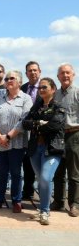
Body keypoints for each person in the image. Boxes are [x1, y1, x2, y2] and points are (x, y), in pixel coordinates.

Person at [0, 70, 33, 213]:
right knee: (1, 172)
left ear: (19, 81)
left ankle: (16, 201)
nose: (8, 80)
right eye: (7, 79)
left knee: (15, 173)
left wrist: (8, 136)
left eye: (12, 78)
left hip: (16, 143)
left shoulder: (26, 99)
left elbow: (24, 120)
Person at [22, 77, 66, 225]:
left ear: (53, 89)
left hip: (52, 148)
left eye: (44, 87)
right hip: (35, 148)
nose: (41, 90)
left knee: (46, 178)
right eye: (40, 88)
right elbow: (25, 123)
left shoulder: (58, 106)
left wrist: (37, 125)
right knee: (41, 180)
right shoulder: (36, 106)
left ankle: (45, 211)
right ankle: (42, 210)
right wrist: (40, 123)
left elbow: (55, 125)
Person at [53, 63, 79, 217]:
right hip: (58, 136)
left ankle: (74, 204)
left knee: (74, 172)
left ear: (73, 75)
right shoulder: (55, 94)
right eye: (62, 73)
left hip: (74, 134)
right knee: (58, 171)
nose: (65, 76)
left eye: (68, 73)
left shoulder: (77, 93)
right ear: (58, 77)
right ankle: (58, 201)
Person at [20, 61, 42, 200]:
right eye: (29, 70)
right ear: (26, 73)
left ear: (39, 71)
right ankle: (27, 190)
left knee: (40, 163)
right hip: (25, 129)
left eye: (35, 70)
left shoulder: (46, 86)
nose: (32, 72)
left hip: (41, 130)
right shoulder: (22, 88)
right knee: (26, 161)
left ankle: (44, 193)